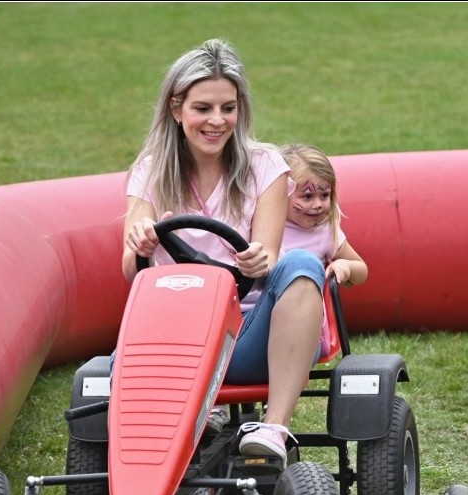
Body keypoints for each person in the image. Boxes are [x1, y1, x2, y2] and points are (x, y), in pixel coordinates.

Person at [122, 38, 325, 464]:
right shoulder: (150, 171)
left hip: (243, 333)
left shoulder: (264, 164)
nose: (217, 121)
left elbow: (267, 256)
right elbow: (131, 270)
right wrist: (140, 242)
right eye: (203, 108)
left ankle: (274, 428)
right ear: (176, 109)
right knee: (100, 377)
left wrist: (258, 261)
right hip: (172, 338)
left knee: (302, 264)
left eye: (228, 108)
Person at [278, 143, 368, 357]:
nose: (318, 205)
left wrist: (344, 265)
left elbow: (362, 270)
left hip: (309, 329)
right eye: (307, 196)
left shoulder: (324, 232)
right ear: (279, 193)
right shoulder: (263, 224)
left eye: (325, 195)